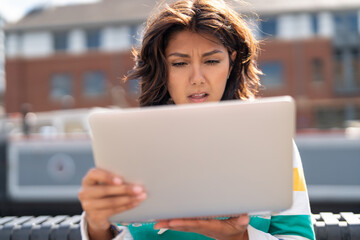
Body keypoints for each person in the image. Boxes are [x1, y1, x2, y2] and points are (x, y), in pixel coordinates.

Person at [78, 0, 315, 239]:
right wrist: (97, 227)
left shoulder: (271, 140)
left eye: (212, 61)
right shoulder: (132, 143)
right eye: (180, 63)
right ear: (162, 68)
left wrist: (238, 237)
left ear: (232, 62)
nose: (197, 78)